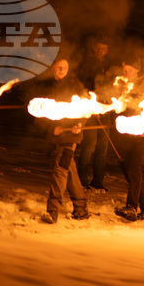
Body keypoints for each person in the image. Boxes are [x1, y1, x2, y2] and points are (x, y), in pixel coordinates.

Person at [37, 59, 90, 224]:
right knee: (69, 170)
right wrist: (50, 128)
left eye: (65, 67)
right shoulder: (49, 87)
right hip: (57, 136)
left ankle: (53, 210)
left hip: (71, 136)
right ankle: (81, 208)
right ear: (53, 68)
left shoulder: (76, 86)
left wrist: (79, 125)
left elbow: (86, 108)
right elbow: (42, 111)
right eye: (58, 67)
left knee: (60, 169)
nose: (61, 70)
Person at [113, 58, 144, 222]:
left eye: (129, 70)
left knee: (134, 168)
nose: (126, 73)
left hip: (142, 134)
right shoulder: (122, 85)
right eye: (124, 70)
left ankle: (131, 207)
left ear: (137, 71)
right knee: (128, 168)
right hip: (126, 133)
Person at [76, 35, 115, 191]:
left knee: (102, 148)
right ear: (93, 47)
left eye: (103, 48)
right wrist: (94, 108)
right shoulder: (86, 64)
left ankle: (98, 181)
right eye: (98, 47)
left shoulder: (109, 66)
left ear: (107, 51)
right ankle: (81, 180)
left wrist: (107, 106)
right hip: (90, 110)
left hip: (106, 111)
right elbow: (84, 88)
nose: (100, 51)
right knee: (89, 145)